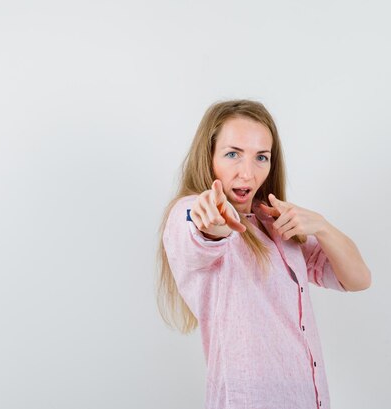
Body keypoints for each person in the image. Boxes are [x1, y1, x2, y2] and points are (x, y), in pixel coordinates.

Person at [156, 99, 371, 409]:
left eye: (261, 157)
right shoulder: (189, 212)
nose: (247, 172)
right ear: (209, 156)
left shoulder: (275, 223)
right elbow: (200, 227)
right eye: (232, 154)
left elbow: (359, 279)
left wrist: (323, 227)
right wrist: (213, 221)